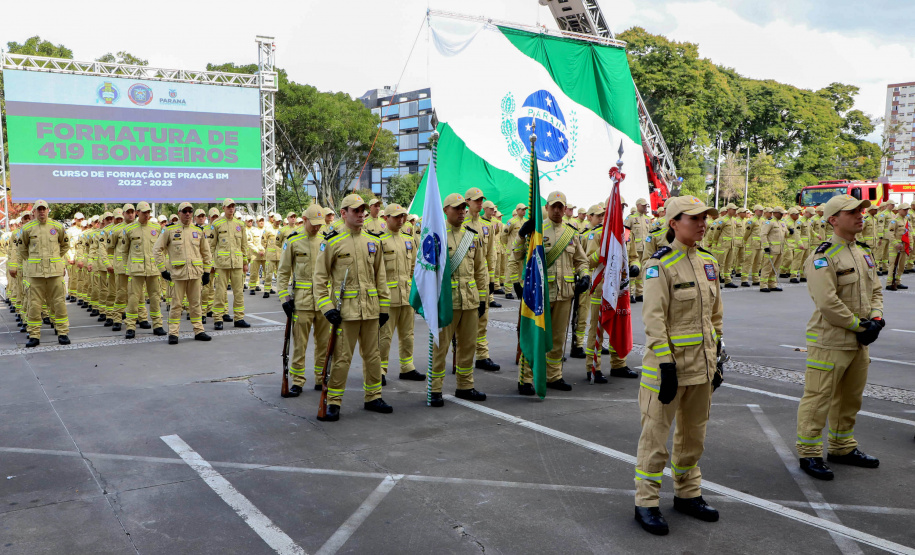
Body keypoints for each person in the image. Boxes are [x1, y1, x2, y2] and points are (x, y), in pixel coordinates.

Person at [634, 195, 723, 536]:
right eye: (694, 218)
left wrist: (717, 357)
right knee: (655, 438)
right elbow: (654, 320)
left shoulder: (708, 262)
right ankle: (646, 502)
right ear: (673, 223)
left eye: (705, 218)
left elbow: (715, 317)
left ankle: (688, 493)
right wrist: (666, 365)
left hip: (701, 366)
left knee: (693, 436)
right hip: (667, 369)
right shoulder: (660, 265)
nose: (702, 223)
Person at [796, 195, 883, 480]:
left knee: (850, 398)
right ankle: (809, 453)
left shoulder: (863, 252)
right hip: (830, 340)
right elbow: (827, 303)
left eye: (861, 211)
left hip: (860, 339)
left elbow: (876, 291)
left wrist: (877, 318)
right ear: (833, 219)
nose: (861, 216)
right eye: (852, 212)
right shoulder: (823, 257)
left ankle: (842, 446)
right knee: (818, 399)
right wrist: (862, 325)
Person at [313, 194, 392, 421]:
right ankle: (334, 402)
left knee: (373, 356)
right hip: (344, 312)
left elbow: (381, 278)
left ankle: (373, 397)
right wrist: (327, 308)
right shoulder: (332, 241)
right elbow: (319, 280)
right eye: (355, 211)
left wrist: (384, 308)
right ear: (343, 213)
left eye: (362, 211)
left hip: (370, 310)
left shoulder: (373, 241)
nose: (361, 214)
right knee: (341, 358)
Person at [509, 191, 589, 394]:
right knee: (535, 335)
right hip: (540, 295)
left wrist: (585, 275)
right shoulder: (536, 230)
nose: (556, 210)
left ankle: (554, 376)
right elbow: (516, 254)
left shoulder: (571, 233)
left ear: (564, 209)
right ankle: (526, 378)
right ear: (546, 207)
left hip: (565, 294)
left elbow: (581, 260)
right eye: (553, 206)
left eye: (560, 206)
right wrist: (520, 235)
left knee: (558, 338)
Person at [426, 193, 488, 407]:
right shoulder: (436, 236)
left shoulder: (472, 236)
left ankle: (465, 386)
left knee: (468, 346)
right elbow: (426, 272)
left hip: (469, 301)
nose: (462, 211)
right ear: (445, 210)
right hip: (446, 302)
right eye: (457, 208)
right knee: (440, 348)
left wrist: (482, 298)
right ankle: (434, 389)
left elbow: (481, 270)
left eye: (463, 207)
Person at [277, 204, 331, 394]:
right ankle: (297, 381)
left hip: (324, 302)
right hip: (302, 302)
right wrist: (284, 298)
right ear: (304, 220)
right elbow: (283, 273)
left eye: (320, 224)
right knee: (300, 344)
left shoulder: (326, 241)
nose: (317, 227)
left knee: (324, 343)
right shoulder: (293, 241)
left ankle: (320, 378)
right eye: (313, 223)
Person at [582, 204, 636, 380]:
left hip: (621, 288)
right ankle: (593, 367)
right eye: (616, 207)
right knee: (596, 329)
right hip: (602, 288)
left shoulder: (626, 233)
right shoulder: (597, 233)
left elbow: (634, 256)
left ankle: (619, 364)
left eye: (622, 207)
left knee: (619, 326)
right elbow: (588, 260)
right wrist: (603, 250)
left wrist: (635, 266)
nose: (619, 210)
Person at [377, 203, 425, 384]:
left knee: (408, 335)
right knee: (384, 337)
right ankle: (380, 370)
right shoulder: (378, 240)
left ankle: (407, 367)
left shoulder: (408, 239)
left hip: (406, 296)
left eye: (403, 216)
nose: (401, 220)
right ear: (386, 218)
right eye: (396, 217)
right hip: (387, 298)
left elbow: (414, 267)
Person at [12, 200, 71, 347]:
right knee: (34, 305)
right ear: (34, 212)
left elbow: (64, 245)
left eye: (44, 209)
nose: (42, 212)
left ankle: (63, 333)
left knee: (59, 303)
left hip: (55, 273)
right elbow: (22, 249)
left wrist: (55, 260)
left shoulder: (57, 227)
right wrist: (34, 262)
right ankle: (34, 335)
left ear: (48, 210)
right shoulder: (27, 228)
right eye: (39, 210)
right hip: (36, 274)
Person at [153, 202, 213, 344]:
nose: (187, 214)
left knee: (195, 304)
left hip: (195, 274)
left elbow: (206, 252)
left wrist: (206, 272)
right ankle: (173, 333)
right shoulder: (169, 230)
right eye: (184, 211)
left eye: (190, 211)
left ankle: (199, 330)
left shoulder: (198, 230)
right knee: (176, 305)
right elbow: (157, 250)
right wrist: (162, 270)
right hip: (178, 274)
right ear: (179, 213)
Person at [463, 187, 501, 372]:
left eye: (481, 200)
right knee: (464, 321)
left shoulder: (487, 226)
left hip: (482, 278)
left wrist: (492, 279)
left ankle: (482, 355)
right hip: (465, 279)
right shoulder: (461, 224)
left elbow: (490, 255)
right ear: (467, 201)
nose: (479, 202)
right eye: (476, 200)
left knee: (482, 318)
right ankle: (463, 355)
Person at [120, 202, 166, 338]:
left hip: (153, 269)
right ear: (137, 212)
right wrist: (126, 268)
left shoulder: (156, 228)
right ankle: (130, 327)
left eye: (148, 212)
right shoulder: (129, 229)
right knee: (133, 299)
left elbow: (161, 249)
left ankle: (157, 325)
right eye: (144, 212)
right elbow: (124, 252)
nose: (147, 215)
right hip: (136, 270)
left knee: (155, 298)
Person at [208, 199, 251, 329]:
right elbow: (211, 245)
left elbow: (244, 245)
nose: (231, 209)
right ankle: (218, 319)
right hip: (221, 264)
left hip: (237, 264)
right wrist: (210, 263)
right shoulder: (216, 224)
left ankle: (239, 318)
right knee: (220, 293)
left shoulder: (240, 224)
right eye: (228, 207)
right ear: (223, 208)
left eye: (233, 206)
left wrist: (245, 262)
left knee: (238, 292)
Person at [625, 198, 652, 302]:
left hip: (644, 249)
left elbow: (650, 234)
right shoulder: (631, 218)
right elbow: (626, 233)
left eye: (646, 205)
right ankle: (630, 293)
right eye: (643, 205)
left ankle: (639, 293)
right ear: (638, 205)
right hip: (634, 249)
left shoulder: (647, 219)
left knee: (641, 272)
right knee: (633, 271)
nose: (645, 207)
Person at [759, 207, 787, 292]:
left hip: (780, 249)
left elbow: (785, 235)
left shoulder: (782, 223)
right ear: (775, 213)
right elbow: (763, 234)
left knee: (776, 268)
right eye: (781, 213)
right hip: (771, 249)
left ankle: (772, 284)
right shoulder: (769, 222)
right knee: (767, 267)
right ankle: (763, 285)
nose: (782, 215)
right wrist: (766, 246)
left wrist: (790, 232)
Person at [503, 204, 528, 299]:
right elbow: (504, 235)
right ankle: (508, 290)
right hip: (512, 250)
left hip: (522, 251)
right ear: (517, 210)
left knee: (521, 271)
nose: (524, 211)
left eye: (525, 209)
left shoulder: (526, 221)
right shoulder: (511, 222)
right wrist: (507, 246)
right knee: (511, 270)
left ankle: (521, 289)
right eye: (522, 209)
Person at [886, 203, 911, 290]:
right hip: (895, 247)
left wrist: (910, 244)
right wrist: (896, 244)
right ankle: (889, 283)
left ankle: (898, 281)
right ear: (899, 210)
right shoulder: (894, 220)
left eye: (907, 210)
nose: (906, 211)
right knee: (893, 265)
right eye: (904, 210)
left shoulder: (906, 220)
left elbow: (908, 233)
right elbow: (890, 233)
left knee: (901, 265)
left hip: (904, 247)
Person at [248, 215, 267, 293]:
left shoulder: (267, 230)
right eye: (260, 221)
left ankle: (268, 288)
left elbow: (270, 243)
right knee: (253, 272)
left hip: (265, 255)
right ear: (257, 222)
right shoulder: (252, 231)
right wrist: (257, 251)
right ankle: (252, 288)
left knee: (267, 272)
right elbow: (249, 243)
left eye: (262, 220)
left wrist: (264, 251)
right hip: (255, 255)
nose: (261, 222)